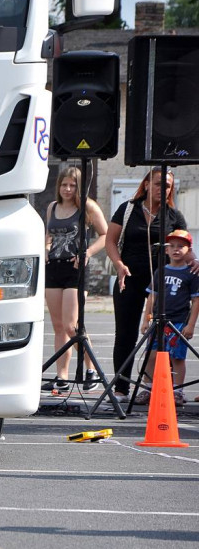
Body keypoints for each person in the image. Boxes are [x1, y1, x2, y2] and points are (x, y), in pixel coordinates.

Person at [105, 168, 188, 402]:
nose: (164, 189)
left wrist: (194, 264)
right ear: (147, 184)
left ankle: (154, 386)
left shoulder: (173, 216)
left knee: (161, 334)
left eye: (168, 185)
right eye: (159, 183)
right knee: (126, 333)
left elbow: (184, 248)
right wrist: (119, 264)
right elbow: (110, 241)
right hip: (129, 276)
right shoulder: (128, 209)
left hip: (161, 282)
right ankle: (121, 388)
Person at [41, 166, 107, 393]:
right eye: (64, 184)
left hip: (75, 269)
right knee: (58, 326)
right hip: (54, 268)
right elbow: (49, 235)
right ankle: (62, 376)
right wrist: (47, 246)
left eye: (72, 185)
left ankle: (92, 369)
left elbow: (106, 235)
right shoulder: (52, 207)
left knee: (72, 326)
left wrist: (87, 252)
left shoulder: (87, 207)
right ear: (58, 186)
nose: (68, 189)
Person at [136, 230, 199, 406]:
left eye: (181, 246)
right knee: (151, 356)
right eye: (172, 246)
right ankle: (148, 388)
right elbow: (152, 296)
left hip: (178, 321)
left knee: (177, 357)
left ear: (189, 250)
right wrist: (145, 319)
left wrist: (191, 325)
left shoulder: (191, 273)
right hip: (157, 321)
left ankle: (178, 390)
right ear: (166, 250)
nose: (176, 249)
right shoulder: (160, 271)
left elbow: (196, 300)